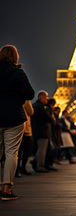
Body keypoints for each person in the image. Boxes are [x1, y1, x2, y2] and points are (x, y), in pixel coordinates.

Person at [0, 45, 34, 200]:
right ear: (15, 57)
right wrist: (17, 98)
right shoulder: (18, 73)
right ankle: (6, 189)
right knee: (11, 153)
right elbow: (30, 93)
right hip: (14, 116)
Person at [31, 90, 54, 172]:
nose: (47, 99)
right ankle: (39, 166)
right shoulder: (40, 107)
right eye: (46, 97)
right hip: (42, 132)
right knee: (42, 150)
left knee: (42, 150)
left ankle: (37, 163)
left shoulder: (36, 106)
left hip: (40, 131)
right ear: (42, 97)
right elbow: (47, 117)